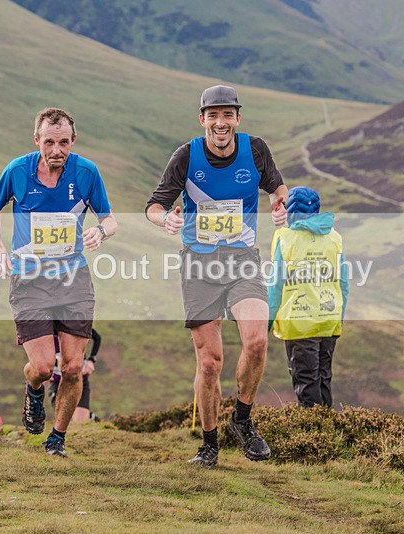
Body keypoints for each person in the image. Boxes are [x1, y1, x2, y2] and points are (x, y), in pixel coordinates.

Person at [146, 85, 288, 467]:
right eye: (214, 115)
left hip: (243, 260)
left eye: (228, 115)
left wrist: (280, 203)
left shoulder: (255, 149)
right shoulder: (186, 156)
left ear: (237, 118)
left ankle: (242, 419)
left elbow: (277, 187)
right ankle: (209, 445)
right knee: (210, 362)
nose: (221, 123)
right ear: (203, 119)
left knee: (257, 341)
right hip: (200, 264)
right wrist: (167, 219)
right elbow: (154, 206)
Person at [0, 108, 117, 458]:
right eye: (48, 142)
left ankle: (57, 438)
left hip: (74, 280)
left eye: (63, 142)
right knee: (43, 368)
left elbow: (111, 220)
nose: (56, 149)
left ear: (73, 141)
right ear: (36, 141)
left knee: (73, 367)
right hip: (28, 280)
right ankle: (32, 390)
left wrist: (99, 232)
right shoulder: (17, 171)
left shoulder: (87, 173)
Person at [268, 186, 348, 408]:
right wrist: (338, 320)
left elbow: (275, 285)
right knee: (323, 380)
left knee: (306, 384)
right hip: (329, 320)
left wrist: (264, 325)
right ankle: (328, 433)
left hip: (299, 323)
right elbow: (343, 283)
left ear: (291, 210)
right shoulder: (335, 238)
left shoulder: (285, 238)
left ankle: (314, 435)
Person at [49, 328, 101, 422]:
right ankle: (90, 416)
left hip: (79, 380)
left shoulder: (74, 324)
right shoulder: (48, 329)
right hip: (57, 382)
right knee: (64, 420)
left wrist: (91, 360)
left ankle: (89, 417)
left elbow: (97, 338)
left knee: (79, 421)